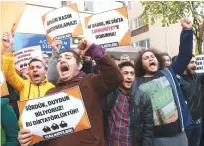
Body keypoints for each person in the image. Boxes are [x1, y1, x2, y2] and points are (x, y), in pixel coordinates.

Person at [18, 39, 123, 146]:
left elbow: (116, 78)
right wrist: (27, 137)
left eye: (68, 58)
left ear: (79, 66)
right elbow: (43, 129)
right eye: (59, 60)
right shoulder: (50, 92)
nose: (62, 61)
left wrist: (93, 49)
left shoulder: (90, 82)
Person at [134, 18, 193, 146]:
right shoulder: (137, 84)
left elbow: (185, 55)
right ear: (141, 64)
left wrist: (187, 31)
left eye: (152, 56)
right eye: (146, 58)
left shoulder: (169, 72)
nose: (150, 58)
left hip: (179, 134)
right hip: (156, 138)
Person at [1, 32, 55, 129]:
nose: (35, 69)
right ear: (28, 73)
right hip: (26, 134)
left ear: (45, 71)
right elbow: (9, 74)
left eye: (38, 67)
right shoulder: (23, 85)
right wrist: (9, 48)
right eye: (31, 68)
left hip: (47, 132)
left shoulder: (52, 88)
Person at [103, 61, 153, 146]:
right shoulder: (109, 93)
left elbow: (148, 128)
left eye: (132, 74)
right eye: (125, 73)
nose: (129, 77)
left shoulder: (143, 97)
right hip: (110, 142)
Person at [180, 54, 204, 146]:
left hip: (198, 123)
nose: (194, 65)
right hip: (187, 125)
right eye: (191, 62)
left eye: (195, 62)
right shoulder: (178, 80)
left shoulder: (197, 77)